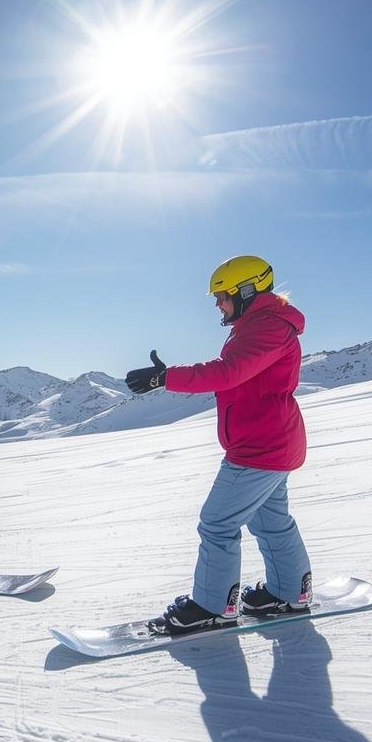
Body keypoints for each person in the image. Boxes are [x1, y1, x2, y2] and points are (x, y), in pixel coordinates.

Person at [124, 255, 314, 631]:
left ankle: (212, 606)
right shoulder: (260, 324)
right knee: (271, 522)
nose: (217, 304)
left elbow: (228, 373)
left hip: (259, 446)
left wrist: (166, 377)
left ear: (246, 290)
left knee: (217, 524)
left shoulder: (266, 327)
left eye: (222, 296)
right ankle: (292, 593)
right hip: (270, 440)